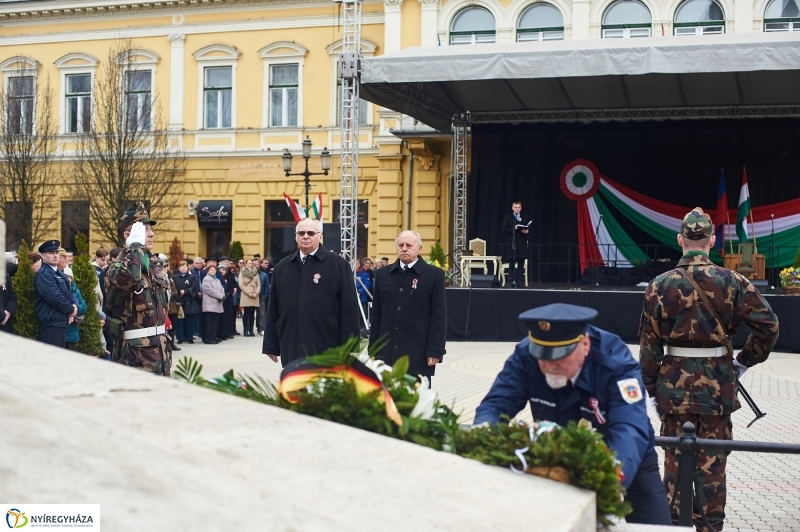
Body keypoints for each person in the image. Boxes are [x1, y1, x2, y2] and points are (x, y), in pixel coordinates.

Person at [639, 207, 779, 531]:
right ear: (712, 241)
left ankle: (674, 526)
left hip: (673, 393)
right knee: (712, 470)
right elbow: (769, 326)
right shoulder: (732, 281)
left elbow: (648, 347)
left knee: (674, 466)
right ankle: (709, 526)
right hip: (717, 390)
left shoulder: (659, 285)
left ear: (680, 239)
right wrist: (743, 362)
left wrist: (650, 391)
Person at [475, 303, 672, 526]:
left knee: (656, 527)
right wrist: (482, 437)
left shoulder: (614, 362)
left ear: (585, 344)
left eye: (560, 356)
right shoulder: (526, 354)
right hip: (557, 454)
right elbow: (496, 404)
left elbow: (629, 427)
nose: (550, 365)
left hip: (622, 456)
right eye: (543, 356)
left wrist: (610, 480)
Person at [263, 218, 360, 366]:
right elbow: (273, 309)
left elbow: (349, 309)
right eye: (301, 233)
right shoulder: (282, 267)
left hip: (327, 346)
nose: (306, 236)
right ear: (295, 237)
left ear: (319, 236)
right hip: (291, 346)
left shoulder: (338, 265)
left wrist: (350, 347)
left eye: (311, 233)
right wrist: (271, 345)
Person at [368, 231, 447, 381]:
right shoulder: (383, 274)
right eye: (401, 245)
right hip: (387, 352)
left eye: (409, 245)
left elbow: (438, 317)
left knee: (416, 399)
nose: (404, 248)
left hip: (417, 352)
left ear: (419, 248)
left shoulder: (433, 275)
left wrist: (435, 351)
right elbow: (377, 315)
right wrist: (373, 349)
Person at [106, 202, 172, 376]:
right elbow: (129, 279)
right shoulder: (115, 269)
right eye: (145, 230)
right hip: (136, 357)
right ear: (129, 235)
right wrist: (134, 246)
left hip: (160, 352)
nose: (152, 234)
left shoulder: (151, 268)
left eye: (151, 229)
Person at [34, 240, 78, 348]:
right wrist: (71, 310)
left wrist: (75, 305)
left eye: (56, 252)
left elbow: (71, 291)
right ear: (43, 256)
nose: (55, 255)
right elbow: (55, 297)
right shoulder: (44, 274)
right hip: (51, 322)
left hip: (61, 321)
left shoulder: (58, 272)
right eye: (51, 253)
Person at [502, 201, 530, 287]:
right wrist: (513, 228)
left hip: (522, 243)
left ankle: (520, 282)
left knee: (521, 264)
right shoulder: (508, 217)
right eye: (515, 207)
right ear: (512, 208)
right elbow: (505, 229)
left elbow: (528, 228)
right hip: (512, 243)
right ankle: (511, 282)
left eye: (518, 207)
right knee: (512, 263)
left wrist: (527, 231)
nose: (517, 209)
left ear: (521, 208)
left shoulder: (525, 217)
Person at [174, 260, 200, 344]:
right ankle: (180, 337)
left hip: (189, 301)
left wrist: (184, 291)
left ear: (187, 267)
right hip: (179, 301)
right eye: (181, 267)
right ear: (179, 268)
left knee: (189, 321)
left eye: (185, 266)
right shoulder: (175, 277)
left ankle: (190, 337)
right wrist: (178, 292)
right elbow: (173, 288)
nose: (183, 268)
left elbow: (194, 288)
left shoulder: (191, 277)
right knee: (180, 321)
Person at [63, 266, 87, 352]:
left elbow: (83, 306)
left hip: (71, 333)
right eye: (66, 276)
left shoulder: (74, 289)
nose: (68, 279)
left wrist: (74, 309)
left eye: (70, 277)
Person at [201, 264, 225, 344]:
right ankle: (208, 338)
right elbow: (209, 290)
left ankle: (214, 336)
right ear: (207, 271)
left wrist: (223, 295)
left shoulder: (217, 280)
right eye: (211, 270)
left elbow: (222, 288)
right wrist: (220, 296)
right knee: (209, 323)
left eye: (214, 270)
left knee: (215, 323)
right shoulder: (206, 279)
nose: (213, 271)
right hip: (209, 304)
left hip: (217, 304)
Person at [239, 259, 261, 336]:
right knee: (246, 313)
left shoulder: (256, 272)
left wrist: (256, 292)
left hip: (254, 295)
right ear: (246, 264)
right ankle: (245, 330)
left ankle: (251, 330)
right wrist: (249, 293)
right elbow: (241, 284)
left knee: (252, 314)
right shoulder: (242, 272)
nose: (251, 264)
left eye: (252, 263)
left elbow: (259, 284)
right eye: (249, 263)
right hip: (246, 294)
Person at [1, 252, 18, 334]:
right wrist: (2, 316)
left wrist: (7, 313)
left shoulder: (5, 277)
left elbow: (12, 297)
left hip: (6, 326)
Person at [356, 258, 373, 323]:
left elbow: (367, 285)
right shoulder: (349, 274)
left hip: (362, 298)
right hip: (352, 299)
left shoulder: (365, 274)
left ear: (359, 265)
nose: (354, 265)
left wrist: (359, 292)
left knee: (362, 316)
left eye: (356, 264)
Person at [256, 258, 271, 336]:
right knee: (250, 314)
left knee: (262, 314)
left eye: (257, 265)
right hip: (251, 296)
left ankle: (262, 328)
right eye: (265, 263)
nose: (267, 264)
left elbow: (267, 286)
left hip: (262, 296)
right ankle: (248, 330)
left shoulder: (264, 274)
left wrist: (265, 296)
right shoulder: (251, 274)